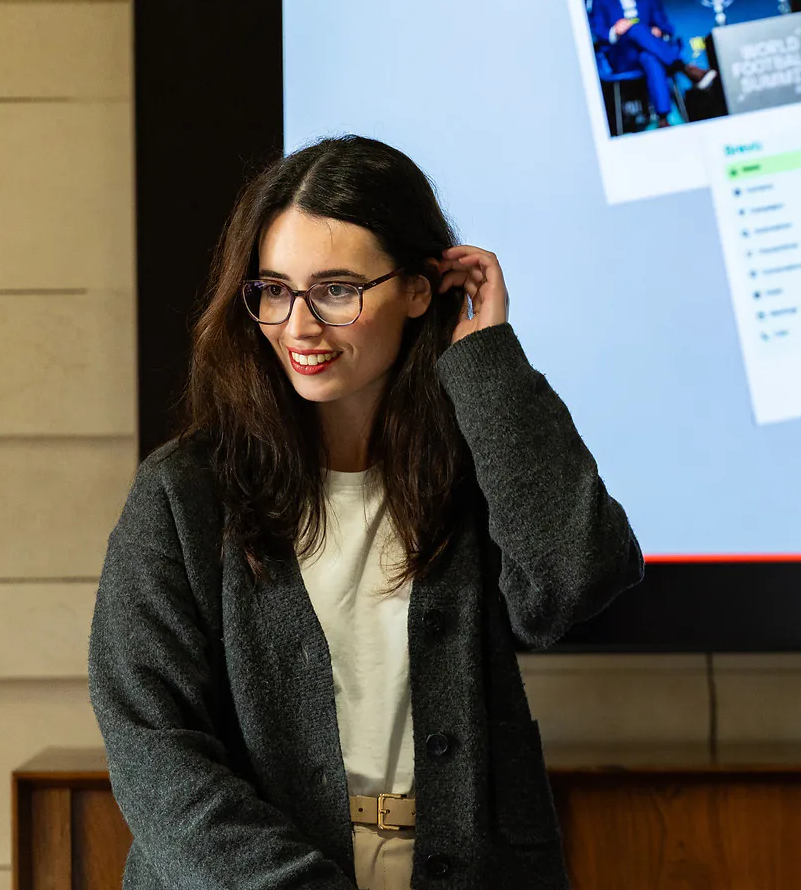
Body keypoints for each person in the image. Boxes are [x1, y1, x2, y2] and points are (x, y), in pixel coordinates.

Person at [88, 136, 645, 890]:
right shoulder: (182, 495)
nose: (299, 326)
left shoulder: (470, 471)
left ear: (419, 290)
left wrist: (488, 363)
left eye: (337, 289)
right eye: (275, 289)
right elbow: (154, 752)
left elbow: (574, 581)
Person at [586, 0, 714, 128]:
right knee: (635, 29)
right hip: (621, 56)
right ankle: (684, 67)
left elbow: (666, 26)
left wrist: (658, 31)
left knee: (649, 55)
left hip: (650, 51)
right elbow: (598, 30)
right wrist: (615, 30)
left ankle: (663, 119)